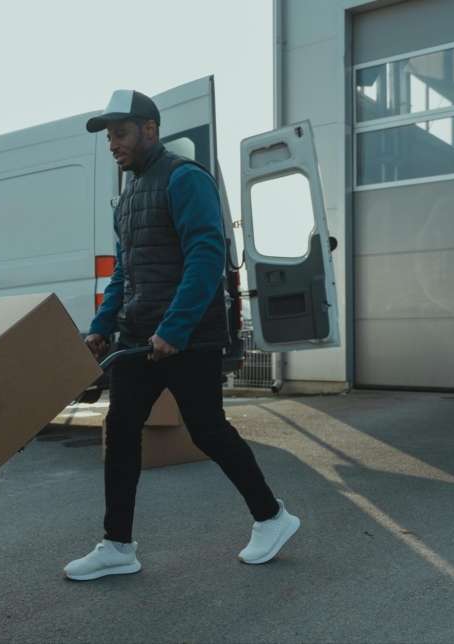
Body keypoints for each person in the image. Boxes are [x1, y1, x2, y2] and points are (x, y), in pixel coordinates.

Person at [63, 90, 300, 581]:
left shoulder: (185, 179)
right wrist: (102, 326)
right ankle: (117, 545)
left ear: (150, 129)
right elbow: (125, 272)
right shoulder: (128, 198)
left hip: (187, 339)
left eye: (121, 133)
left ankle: (272, 517)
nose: (113, 144)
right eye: (108, 136)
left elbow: (205, 256)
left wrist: (175, 328)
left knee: (209, 430)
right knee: (121, 431)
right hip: (138, 338)